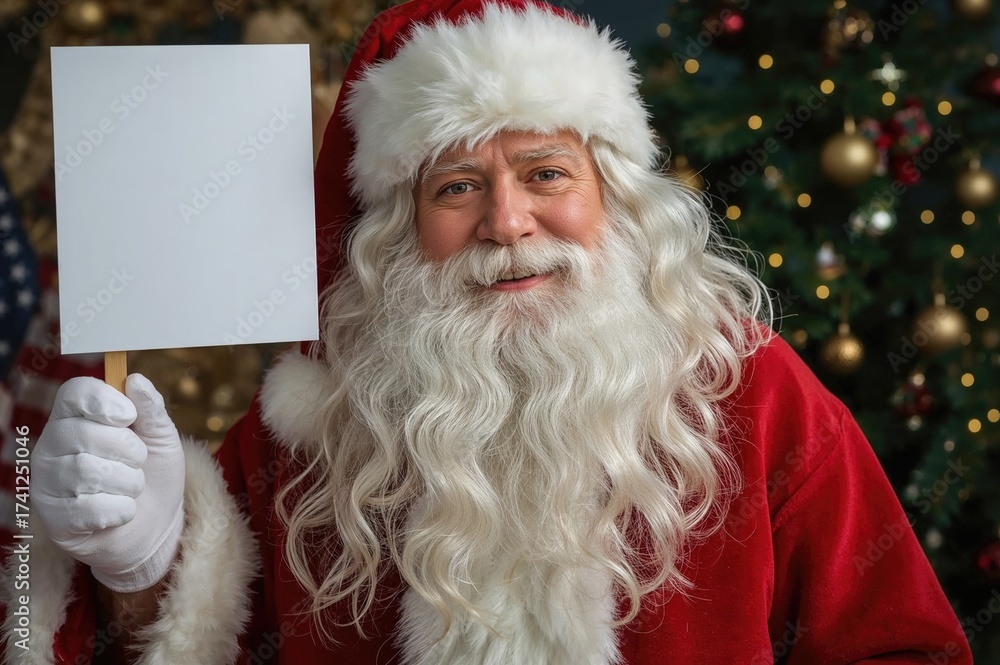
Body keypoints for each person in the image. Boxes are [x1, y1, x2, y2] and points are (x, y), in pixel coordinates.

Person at [1, 0, 972, 663]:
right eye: (458, 187)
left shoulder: (745, 389)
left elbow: (906, 644)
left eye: (545, 172)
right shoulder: (312, 433)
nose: (507, 222)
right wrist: (147, 566)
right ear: (396, 227)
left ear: (614, 196)